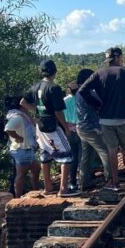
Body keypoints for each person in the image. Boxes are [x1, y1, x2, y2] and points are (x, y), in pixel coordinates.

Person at [77, 47, 125, 189]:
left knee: (111, 150)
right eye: (121, 57)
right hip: (123, 117)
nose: (122, 60)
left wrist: (97, 104)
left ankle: (115, 182)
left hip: (105, 119)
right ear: (117, 57)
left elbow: (82, 90)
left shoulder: (99, 73)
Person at [21, 60, 79, 197]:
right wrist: (65, 127)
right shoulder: (54, 88)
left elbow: (22, 102)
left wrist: (37, 112)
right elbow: (59, 112)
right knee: (67, 156)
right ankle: (63, 189)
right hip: (53, 126)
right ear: (55, 71)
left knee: (45, 154)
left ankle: (48, 187)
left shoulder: (35, 87)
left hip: (40, 126)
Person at [75, 68, 113, 191]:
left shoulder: (78, 92)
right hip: (92, 128)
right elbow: (100, 104)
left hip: (81, 127)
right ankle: (110, 179)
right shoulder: (89, 91)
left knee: (87, 156)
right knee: (105, 152)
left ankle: (83, 182)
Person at [4, 95, 40, 197]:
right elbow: (8, 129)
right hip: (22, 149)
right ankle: (18, 198)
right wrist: (18, 137)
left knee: (36, 169)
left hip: (25, 148)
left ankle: (35, 192)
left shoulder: (22, 116)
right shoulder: (18, 117)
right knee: (21, 174)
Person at [63, 82, 81, 191]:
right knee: (82, 156)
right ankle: (82, 179)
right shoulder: (81, 99)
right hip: (81, 129)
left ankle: (72, 182)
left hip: (69, 130)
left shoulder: (64, 100)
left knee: (72, 156)